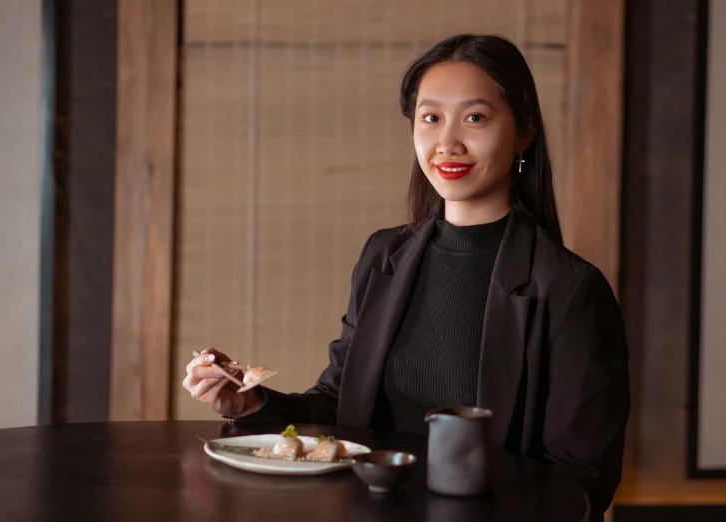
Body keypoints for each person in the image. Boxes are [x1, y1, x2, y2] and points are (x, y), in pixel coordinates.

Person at [183, 34, 630, 517]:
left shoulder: (569, 289)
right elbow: (338, 403)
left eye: (475, 117)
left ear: (523, 131)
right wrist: (250, 404)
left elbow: (581, 479)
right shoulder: (383, 256)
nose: (447, 142)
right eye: (431, 118)